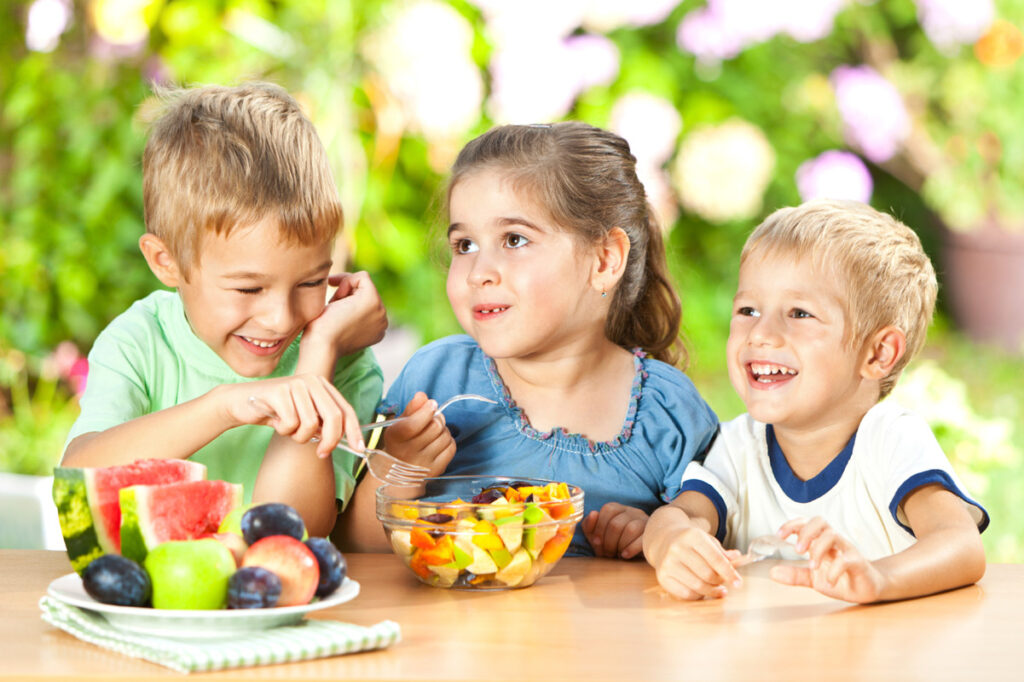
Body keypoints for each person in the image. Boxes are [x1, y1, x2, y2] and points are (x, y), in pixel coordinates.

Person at [336, 122, 719, 557]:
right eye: (464, 245)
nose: (479, 271)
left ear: (604, 259)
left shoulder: (666, 411)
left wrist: (653, 532)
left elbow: (714, 526)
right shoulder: (437, 380)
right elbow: (359, 550)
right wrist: (402, 470)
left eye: (514, 239)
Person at [61, 82, 388, 537]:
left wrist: (316, 361)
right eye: (249, 288)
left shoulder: (340, 355)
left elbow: (291, 535)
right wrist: (225, 407)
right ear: (166, 261)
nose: (281, 318)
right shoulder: (138, 341)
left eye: (312, 282)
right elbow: (79, 486)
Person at [643, 200, 989, 603]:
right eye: (748, 309)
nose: (761, 334)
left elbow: (961, 546)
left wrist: (876, 580)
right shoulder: (740, 445)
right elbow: (682, 514)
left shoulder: (890, 439)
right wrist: (670, 541)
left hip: (879, 660)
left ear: (877, 354)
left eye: (799, 313)